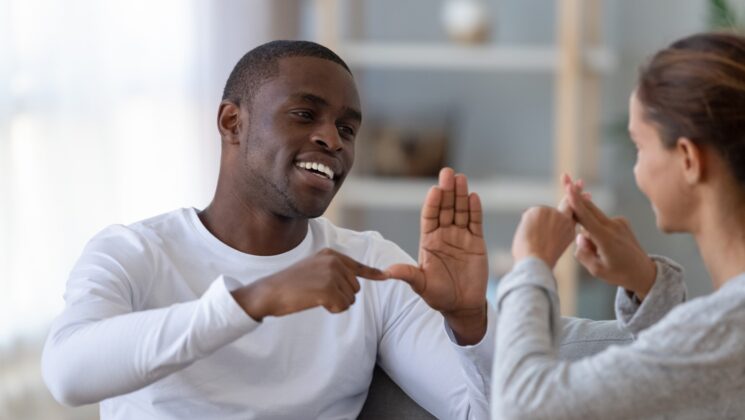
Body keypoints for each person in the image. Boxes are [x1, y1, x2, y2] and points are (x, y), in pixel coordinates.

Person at [41, 40, 680, 420]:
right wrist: (255, 300)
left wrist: (468, 322)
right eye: (304, 114)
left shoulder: (373, 267)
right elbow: (69, 375)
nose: (332, 138)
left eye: (348, 127)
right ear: (232, 123)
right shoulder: (133, 253)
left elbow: (482, 412)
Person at [492, 32, 745, 419]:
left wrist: (531, 265)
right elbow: (700, 381)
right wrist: (647, 283)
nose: (637, 168)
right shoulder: (726, 328)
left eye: (639, 147)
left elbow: (522, 409)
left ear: (689, 159)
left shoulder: (730, 325)